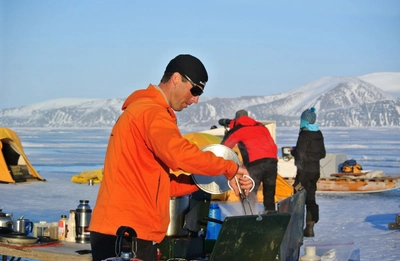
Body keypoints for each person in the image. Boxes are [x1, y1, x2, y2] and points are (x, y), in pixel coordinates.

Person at [88, 54, 252, 261]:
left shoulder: (144, 111)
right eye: (195, 90)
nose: (196, 99)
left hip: (126, 231)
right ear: (176, 79)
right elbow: (179, 154)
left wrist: (208, 181)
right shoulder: (151, 112)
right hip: (126, 233)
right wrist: (229, 168)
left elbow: (161, 184)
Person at [220, 109, 278, 214]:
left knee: (247, 192)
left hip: (255, 163)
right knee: (269, 193)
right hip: (272, 161)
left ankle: (248, 216)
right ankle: (270, 217)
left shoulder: (238, 129)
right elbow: (272, 145)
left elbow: (224, 147)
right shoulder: (261, 127)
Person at [290, 107, 326, 237]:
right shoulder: (319, 134)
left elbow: (300, 154)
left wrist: (293, 151)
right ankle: (310, 227)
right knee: (310, 197)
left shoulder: (304, 134)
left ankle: (297, 227)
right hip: (315, 172)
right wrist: (312, 156)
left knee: (298, 196)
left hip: (304, 172)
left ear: (304, 121)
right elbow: (322, 154)